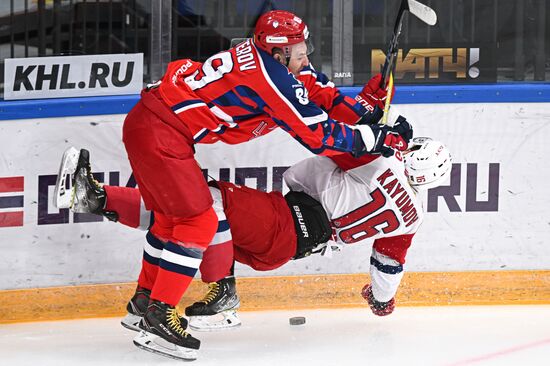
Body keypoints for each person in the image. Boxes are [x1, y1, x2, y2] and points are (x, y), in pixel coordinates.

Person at [99, 8, 410, 360]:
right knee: (198, 220)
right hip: (161, 134)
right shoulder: (271, 80)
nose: (305, 56)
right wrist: (373, 137)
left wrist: (365, 111)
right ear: (279, 53)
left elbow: (318, 95)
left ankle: (143, 303)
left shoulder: (271, 62)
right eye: (300, 51)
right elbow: (317, 136)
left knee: (173, 219)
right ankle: (159, 314)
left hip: (152, 124)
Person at [56, 136, 451, 336]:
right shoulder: (411, 217)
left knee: (202, 201)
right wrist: (381, 303)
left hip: (286, 220)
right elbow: (388, 266)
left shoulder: (379, 160)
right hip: (285, 247)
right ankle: (96, 201)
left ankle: (224, 293)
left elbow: (330, 137)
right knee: (185, 215)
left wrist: (374, 125)